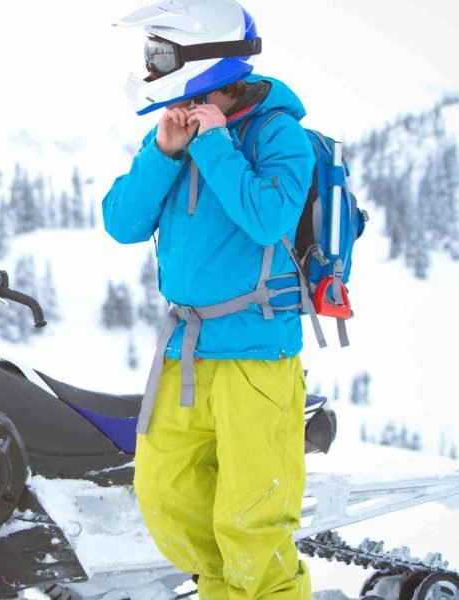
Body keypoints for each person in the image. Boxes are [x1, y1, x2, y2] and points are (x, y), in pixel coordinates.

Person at [103, 1, 316, 598]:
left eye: (160, 56)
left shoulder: (279, 134)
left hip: (256, 354)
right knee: (165, 495)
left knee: (252, 521)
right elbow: (121, 223)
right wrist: (164, 152)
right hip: (184, 354)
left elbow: (268, 217)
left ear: (209, 58)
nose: (150, 68)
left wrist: (217, 145)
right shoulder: (175, 129)